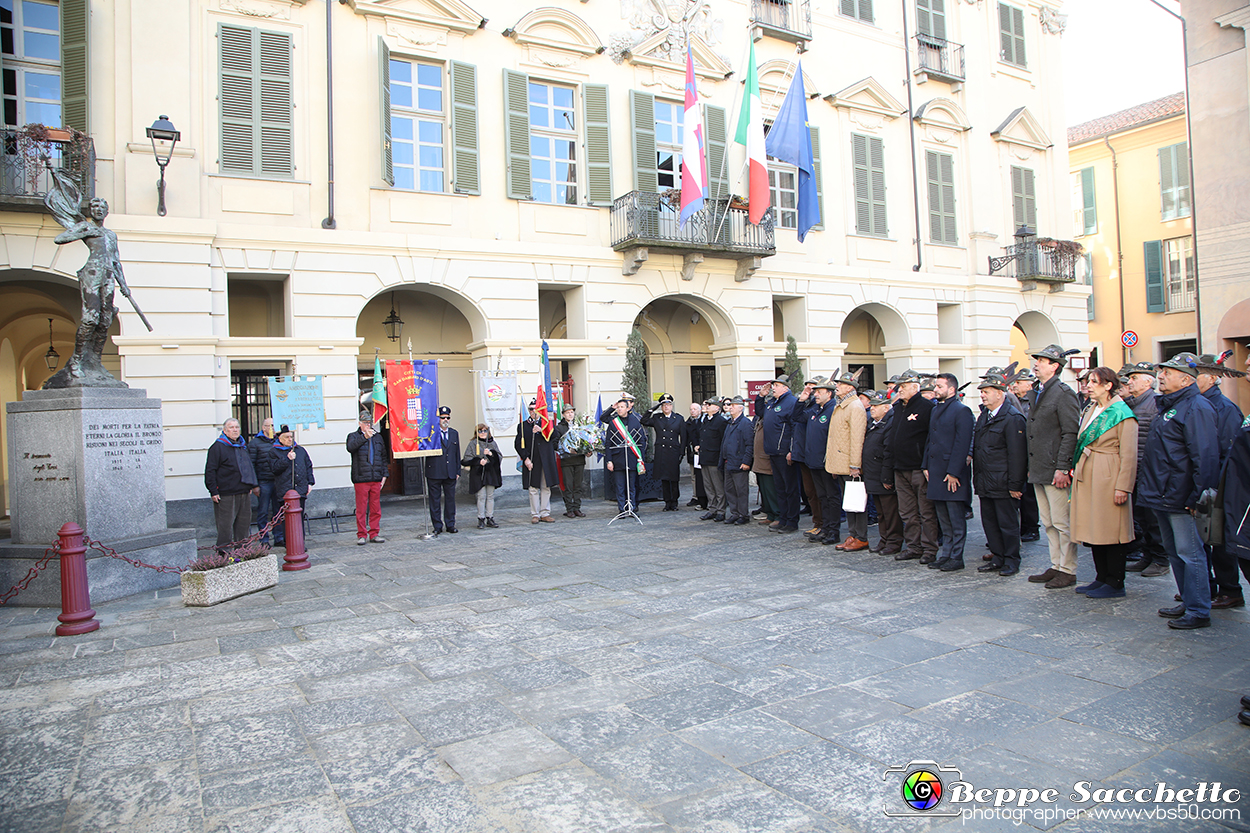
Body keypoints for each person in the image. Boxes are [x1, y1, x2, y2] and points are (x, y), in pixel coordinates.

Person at [1138, 353, 1220, 630]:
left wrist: (1197, 497)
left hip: (1182, 496)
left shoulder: (1196, 407)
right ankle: (1188, 600)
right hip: (1163, 494)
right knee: (1175, 552)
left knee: (1190, 553)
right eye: (1162, 372)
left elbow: (1204, 456)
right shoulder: (1170, 406)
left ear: (1186, 379)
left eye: (1168, 373)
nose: (1161, 376)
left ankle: (1199, 609)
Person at [1068, 367, 1139, 599]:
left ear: (1108, 385)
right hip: (1089, 470)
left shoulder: (1122, 412)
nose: (1088, 386)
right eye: (1088, 381)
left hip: (1109, 473)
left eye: (1094, 382)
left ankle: (1116, 581)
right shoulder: (1091, 409)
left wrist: (1123, 486)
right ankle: (1101, 577)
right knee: (1093, 526)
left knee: (1111, 528)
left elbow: (1129, 455)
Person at [1024, 344, 1081, 590]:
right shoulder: (1038, 391)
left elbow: (1070, 432)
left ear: (1055, 366)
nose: (1036, 364)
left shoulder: (1063, 393)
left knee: (1061, 522)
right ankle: (1056, 564)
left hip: (1055, 468)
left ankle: (1068, 569)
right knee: (1047, 521)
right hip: (1039, 467)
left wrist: (1063, 466)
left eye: (1042, 361)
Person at [1195, 353, 1247, 608]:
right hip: (1207, 481)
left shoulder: (1225, 408)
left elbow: (1227, 451)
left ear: (1212, 378)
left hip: (1221, 484)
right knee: (1207, 538)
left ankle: (1230, 589)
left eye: (1197, 375)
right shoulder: (1199, 403)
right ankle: (1211, 586)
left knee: (1222, 539)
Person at [973, 370, 1027, 577]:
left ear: (1000, 393)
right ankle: (998, 557)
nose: (983, 395)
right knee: (991, 523)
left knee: (1008, 524)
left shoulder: (1012, 418)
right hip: (986, 481)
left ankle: (1011, 560)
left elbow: (1017, 455)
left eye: (987, 391)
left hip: (1004, 482)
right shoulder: (984, 416)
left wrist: (1015, 485)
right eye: (982, 392)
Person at [883, 370, 939, 562]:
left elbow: (932, 438)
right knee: (907, 512)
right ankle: (913, 546)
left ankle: (930, 548)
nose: (900, 390)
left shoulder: (926, 407)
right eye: (900, 386)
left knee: (926, 512)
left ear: (915, 387)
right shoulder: (898, 407)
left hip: (918, 467)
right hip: (900, 468)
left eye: (904, 386)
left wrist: (927, 465)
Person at [1120, 363, 1168, 577]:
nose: (1129, 382)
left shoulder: (1153, 404)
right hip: (1136, 468)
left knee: (1152, 518)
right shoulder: (1133, 403)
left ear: (1148, 381)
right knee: (1140, 516)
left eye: (1134, 378)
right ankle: (1147, 555)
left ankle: (1161, 558)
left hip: (1147, 470)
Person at [924, 373, 974, 571]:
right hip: (936, 471)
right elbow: (931, 439)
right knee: (943, 518)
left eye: (939, 386)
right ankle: (946, 554)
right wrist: (925, 465)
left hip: (951, 473)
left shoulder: (962, 411)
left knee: (956, 518)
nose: (935, 389)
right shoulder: (937, 409)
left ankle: (956, 556)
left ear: (951, 390)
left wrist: (954, 472)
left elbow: (962, 444)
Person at [825, 369, 869, 550]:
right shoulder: (842, 404)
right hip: (841, 462)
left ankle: (861, 537)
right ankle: (853, 535)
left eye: (841, 384)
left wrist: (855, 465)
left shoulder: (855, 406)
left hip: (850, 464)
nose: (837, 386)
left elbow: (857, 438)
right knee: (849, 502)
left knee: (857, 502)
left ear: (850, 387)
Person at [204, 417, 259, 551]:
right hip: (226, 494)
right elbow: (210, 470)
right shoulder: (217, 447)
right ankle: (224, 555)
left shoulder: (242, 445)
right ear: (225, 430)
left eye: (236, 427)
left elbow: (247, 467)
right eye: (231, 427)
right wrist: (213, 491)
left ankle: (243, 551)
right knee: (225, 527)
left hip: (243, 492)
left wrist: (250, 484)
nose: (235, 430)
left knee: (243, 526)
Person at [862, 391, 902, 556]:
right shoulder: (873, 422)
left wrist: (886, 477)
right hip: (872, 473)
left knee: (890, 511)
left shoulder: (890, 423)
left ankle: (894, 541)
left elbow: (888, 452)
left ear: (886, 407)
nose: (872, 409)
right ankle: (884, 539)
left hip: (882, 474)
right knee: (881, 512)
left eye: (876, 406)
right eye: (871, 406)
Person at [763, 375, 800, 533]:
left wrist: (792, 450)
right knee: (780, 488)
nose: (773, 388)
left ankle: (792, 521)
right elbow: (760, 412)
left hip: (784, 452)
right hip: (773, 451)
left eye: (777, 385)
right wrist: (760, 397)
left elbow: (794, 427)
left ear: (786, 388)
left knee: (790, 488)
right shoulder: (773, 402)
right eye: (773, 385)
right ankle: (783, 518)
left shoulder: (790, 402)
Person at [801, 377, 836, 544]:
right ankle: (825, 528)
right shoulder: (817, 410)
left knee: (831, 497)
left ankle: (833, 531)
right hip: (813, 461)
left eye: (819, 392)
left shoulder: (832, 410)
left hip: (826, 462)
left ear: (829, 394)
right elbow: (798, 417)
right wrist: (802, 400)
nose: (816, 394)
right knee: (822, 496)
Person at [346, 412, 388, 545]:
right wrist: (364, 437)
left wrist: (384, 475)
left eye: (369, 423)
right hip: (361, 478)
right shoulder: (353, 436)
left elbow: (383, 457)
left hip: (375, 477)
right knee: (361, 509)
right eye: (365, 423)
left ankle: (374, 533)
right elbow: (351, 448)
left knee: (375, 508)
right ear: (360, 423)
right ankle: (361, 534)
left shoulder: (378, 438)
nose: (368, 425)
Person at [602, 395, 647, 514]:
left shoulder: (635, 421)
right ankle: (622, 509)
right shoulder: (613, 422)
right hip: (618, 459)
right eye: (619, 407)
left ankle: (631, 508)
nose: (619, 409)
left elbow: (642, 440)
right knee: (620, 486)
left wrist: (640, 458)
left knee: (632, 486)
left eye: (622, 407)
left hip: (632, 458)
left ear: (628, 408)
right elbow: (608, 443)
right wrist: (609, 460)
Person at [270, 425, 314, 547]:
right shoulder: (274, 451)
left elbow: (308, 466)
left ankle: (300, 543)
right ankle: (289, 543)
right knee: (287, 519)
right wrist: (286, 459)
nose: (290, 439)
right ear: (280, 438)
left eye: (291, 436)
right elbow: (274, 469)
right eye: (287, 437)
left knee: (299, 518)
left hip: (300, 489)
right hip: (285, 490)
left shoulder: (300, 450)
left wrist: (310, 483)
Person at [641, 393, 687, 511]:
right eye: (664, 405)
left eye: (668, 404)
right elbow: (644, 420)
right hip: (662, 451)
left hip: (674, 451)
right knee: (664, 478)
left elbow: (684, 437)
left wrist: (682, 453)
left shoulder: (679, 418)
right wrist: (653, 409)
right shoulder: (657, 418)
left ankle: (674, 501)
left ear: (672, 406)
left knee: (674, 478)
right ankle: (667, 502)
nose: (666, 407)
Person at [788, 378, 822, 536]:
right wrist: (801, 400)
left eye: (813, 389)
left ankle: (824, 524)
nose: (809, 391)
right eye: (807, 387)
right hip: (803, 454)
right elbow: (796, 417)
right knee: (810, 493)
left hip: (815, 455)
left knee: (820, 493)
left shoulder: (820, 407)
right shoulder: (807, 404)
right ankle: (818, 523)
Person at [1010, 368, 1041, 543]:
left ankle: (1032, 528)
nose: (1015, 386)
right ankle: (1022, 528)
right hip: (1020, 450)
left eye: (1019, 383)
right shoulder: (1017, 401)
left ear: (1029, 384)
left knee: (1029, 495)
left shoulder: (1033, 402)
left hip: (1030, 451)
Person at [518, 399, 558, 523]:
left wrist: (542, 430)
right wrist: (525, 458)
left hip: (546, 460)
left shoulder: (547, 424)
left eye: (536, 409)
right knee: (533, 488)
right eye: (531, 409)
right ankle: (535, 514)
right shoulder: (523, 426)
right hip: (532, 460)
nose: (533, 411)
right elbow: (519, 444)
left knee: (546, 487)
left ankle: (545, 512)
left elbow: (555, 436)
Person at [424, 406, 461, 534]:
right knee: (435, 500)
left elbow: (456, 453)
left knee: (450, 500)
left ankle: (450, 524)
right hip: (435, 471)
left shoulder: (454, 433)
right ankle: (437, 526)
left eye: (447, 418)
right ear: (438, 419)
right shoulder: (431, 433)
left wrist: (458, 471)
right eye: (443, 418)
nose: (445, 420)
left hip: (450, 472)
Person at [462, 423, 502, 529]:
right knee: (481, 496)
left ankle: (490, 517)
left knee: (490, 496)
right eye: (480, 431)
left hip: (490, 473)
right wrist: (478, 461)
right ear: (476, 433)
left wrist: (490, 454)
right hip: (478, 473)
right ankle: (481, 518)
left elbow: (499, 457)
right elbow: (466, 459)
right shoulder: (473, 444)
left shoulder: (492, 443)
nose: (483, 433)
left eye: (485, 431)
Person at [721, 396, 754, 524]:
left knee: (741, 490)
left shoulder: (745, 423)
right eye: (730, 405)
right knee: (730, 489)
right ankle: (735, 513)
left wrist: (746, 462)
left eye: (733, 405)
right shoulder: (730, 422)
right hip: (728, 462)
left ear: (740, 408)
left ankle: (743, 514)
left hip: (739, 462)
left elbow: (749, 444)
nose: (730, 408)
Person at [696, 398, 728, 521]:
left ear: (717, 408)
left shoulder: (720, 421)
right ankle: (712, 509)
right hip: (705, 458)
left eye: (710, 404)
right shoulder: (705, 421)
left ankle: (721, 511)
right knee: (708, 486)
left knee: (718, 486)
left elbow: (722, 442)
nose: (707, 406)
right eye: (706, 404)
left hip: (715, 459)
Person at [248, 417, 278, 544]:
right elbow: (251, 465)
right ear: (263, 427)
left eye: (273, 425)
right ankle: (264, 539)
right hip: (263, 482)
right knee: (263, 512)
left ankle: (279, 537)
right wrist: (254, 485)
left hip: (278, 482)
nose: (271, 428)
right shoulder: (255, 443)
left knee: (278, 511)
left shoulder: (279, 441)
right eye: (269, 425)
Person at [554, 405, 588, 518]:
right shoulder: (559, 428)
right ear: (563, 414)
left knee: (578, 486)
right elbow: (555, 444)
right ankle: (569, 509)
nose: (570, 414)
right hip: (567, 461)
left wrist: (588, 450)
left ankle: (577, 508)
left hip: (579, 459)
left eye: (572, 412)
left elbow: (586, 441)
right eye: (567, 412)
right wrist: (567, 449)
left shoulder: (580, 425)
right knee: (568, 486)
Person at [752, 394, 779, 526]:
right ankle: (770, 513)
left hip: (767, 460)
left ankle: (777, 514)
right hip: (759, 461)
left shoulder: (769, 420)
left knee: (771, 490)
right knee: (764, 490)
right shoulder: (760, 419)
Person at [685, 402, 707, 509]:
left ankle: (705, 497)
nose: (692, 411)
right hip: (692, 453)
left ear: (700, 410)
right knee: (694, 476)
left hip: (703, 452)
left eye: (694, 409)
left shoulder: (704, 421)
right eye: (691, 409)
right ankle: (696, 496)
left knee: (704, 476)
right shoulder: (688, 423)